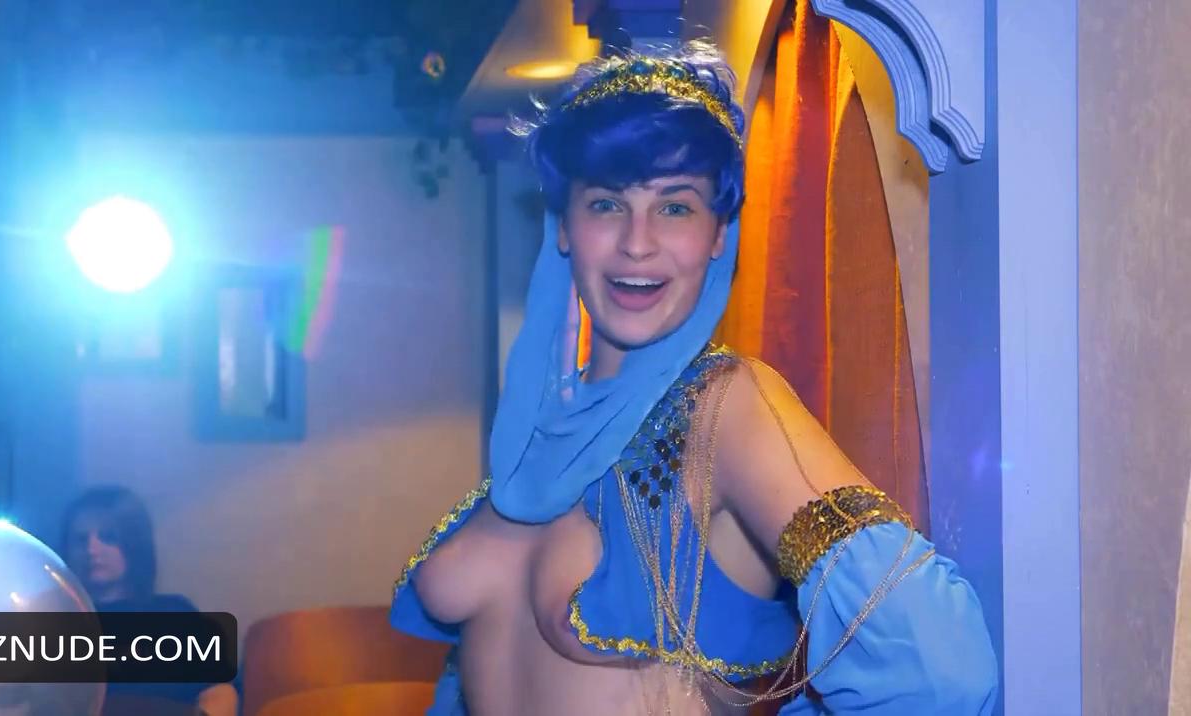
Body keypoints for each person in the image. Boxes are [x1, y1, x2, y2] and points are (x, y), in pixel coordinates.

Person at [390, 40, 998, 715]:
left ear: (718, 234)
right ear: (563, 226)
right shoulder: (539, 431)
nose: (637, 243)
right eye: (606, 204)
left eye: (675, 207)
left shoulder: (726, 407)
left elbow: (939, 673)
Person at [61, 486, 238, 716]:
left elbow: (221, 692)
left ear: (134, 543)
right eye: (80, 539)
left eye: (108, 537)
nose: (91, 549)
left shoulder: (176, 615)